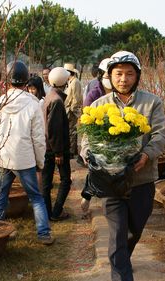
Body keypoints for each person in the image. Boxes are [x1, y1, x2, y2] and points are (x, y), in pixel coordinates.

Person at [80, 51, 165, 281]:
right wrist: (89, 157)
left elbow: (160, 136)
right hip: (110, 182)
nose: (123, 78)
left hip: (141, 179)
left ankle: (122, 259)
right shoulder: (99, 105)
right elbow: (86, 140)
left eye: (129, 73)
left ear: (137, 76)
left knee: (134, 229)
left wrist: (145, 155)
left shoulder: (152, 103)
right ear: (110, 76)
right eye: (118, 73)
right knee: (117, 235)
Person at [0, 61, 54, 245]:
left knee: (0, 197)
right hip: (25, 159)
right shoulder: (33, 105)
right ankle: (43, 234)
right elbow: (38, 139)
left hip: (3, 157)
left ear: (6, 81)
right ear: (27, 81)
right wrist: (40, 162)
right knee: (36, 197)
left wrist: (0, 149)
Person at [80, 57, 113, 216]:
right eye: (106, 76)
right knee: (95, 169)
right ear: (101, 76)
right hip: (98, 137)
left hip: (116, 138)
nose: (109, 79)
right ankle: (88, 193)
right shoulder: (94, 94)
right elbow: (86, 120)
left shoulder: (122, 92)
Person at [41, 67, 72, 222]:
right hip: (55, 149)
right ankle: (56, 212)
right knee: (66, 180)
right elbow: (55, 129)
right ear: (64, 82)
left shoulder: (50, 96)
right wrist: (59, 152)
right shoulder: (57, 101)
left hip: (46, 147)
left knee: (46, 183)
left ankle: (46, 213)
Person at [63, 63, 83, 158]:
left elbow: (76, 98)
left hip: (72, 111)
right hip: (69, 109)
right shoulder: (71, 82)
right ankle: (73, 150)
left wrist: (72, 110)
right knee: (71, 131)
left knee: (71, 131)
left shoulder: (75, 82)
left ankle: (71, 151)